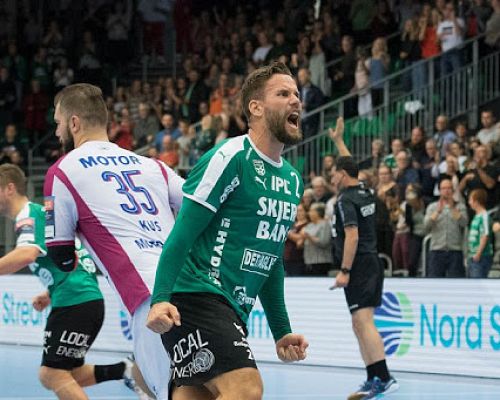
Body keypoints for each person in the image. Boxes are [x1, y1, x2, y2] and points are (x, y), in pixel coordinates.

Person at [146, 62, 309, 400]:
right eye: (283, 94)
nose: (296, 100)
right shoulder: (230, 157)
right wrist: (160, 299)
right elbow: (182, 235)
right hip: (194, 296)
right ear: (256, 107)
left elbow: (271, 260)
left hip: (232, 309)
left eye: (296, 93)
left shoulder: (293, 180)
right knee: (246, 388)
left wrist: (281, 330)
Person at [44, 83, 186, 400]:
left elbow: (61, 255)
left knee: (173, 392)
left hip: (149, 298)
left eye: (58, 123)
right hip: (195, 285)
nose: (56, 132)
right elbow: (198, 206)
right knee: (201, 386)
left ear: (74, 123)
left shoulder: (62, 171)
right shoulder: (153, 165)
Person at [0, 164, 139, 400]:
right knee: (71, 373)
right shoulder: (40, 214)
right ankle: (125, 370)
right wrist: (50, 292)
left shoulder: (28, 215)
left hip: (75, 301)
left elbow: (26, 255)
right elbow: (68, 257)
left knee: (51, 374)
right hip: (82, 299)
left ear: (9, 189)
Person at [329, 118, 398, 400]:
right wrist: (339, 141)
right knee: (359, 322)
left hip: (359, 265)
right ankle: (373, 378)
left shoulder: (346, 199)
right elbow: (351, 166)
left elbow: (352, 236)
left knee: (364, 321)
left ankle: (384, 377)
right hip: (369, 264)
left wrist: (344, 270)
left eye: (334, 174)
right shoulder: (364, 190)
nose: (331, 178)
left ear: (342, 175)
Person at [424, 179, 468, 277]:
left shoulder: (460, 206)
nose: (446, 191)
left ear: (453, 190)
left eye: (449, 188)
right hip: (437, 250)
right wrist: (437, 212)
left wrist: (452, 208)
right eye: (444, 188)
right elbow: (426, 226)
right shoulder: (432, 207)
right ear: (440, 191)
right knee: (435, 280)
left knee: (456, 280)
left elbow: (464, 223)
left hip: (455, 250)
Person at [467, 188, 494, 278]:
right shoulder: (476, 216)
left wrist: (478, 253)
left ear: (476, 201)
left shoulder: (484, 216)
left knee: (478, 282)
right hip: (473, 255)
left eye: (470, 200)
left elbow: (485, 235)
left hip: (481, 256)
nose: (469, 202)